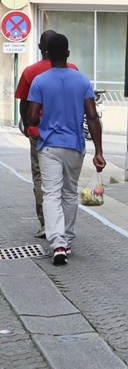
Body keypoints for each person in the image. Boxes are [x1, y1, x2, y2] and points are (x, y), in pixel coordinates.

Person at [26, 33, 106, 265]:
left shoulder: (40, 81)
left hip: (49, 146)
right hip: (75, 146)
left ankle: (57, 243)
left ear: (47, 54)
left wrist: (43, 120)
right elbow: (92, 116)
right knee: (69, 193)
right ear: (68, 54)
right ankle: (68, 240)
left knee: (51, 193)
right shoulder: (82, 80)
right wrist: (98, 152)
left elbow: (32, 118)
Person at [14, 30, 80, 239]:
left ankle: (47, 224)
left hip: (40, 135)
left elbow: (24, 105)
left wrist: (26, 125)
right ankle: (65, 232)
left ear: (43, 49)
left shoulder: (30, 72)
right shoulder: (75, 71)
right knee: (68, 188)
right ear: (66, 52)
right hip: (71, 137)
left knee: (42, 180)